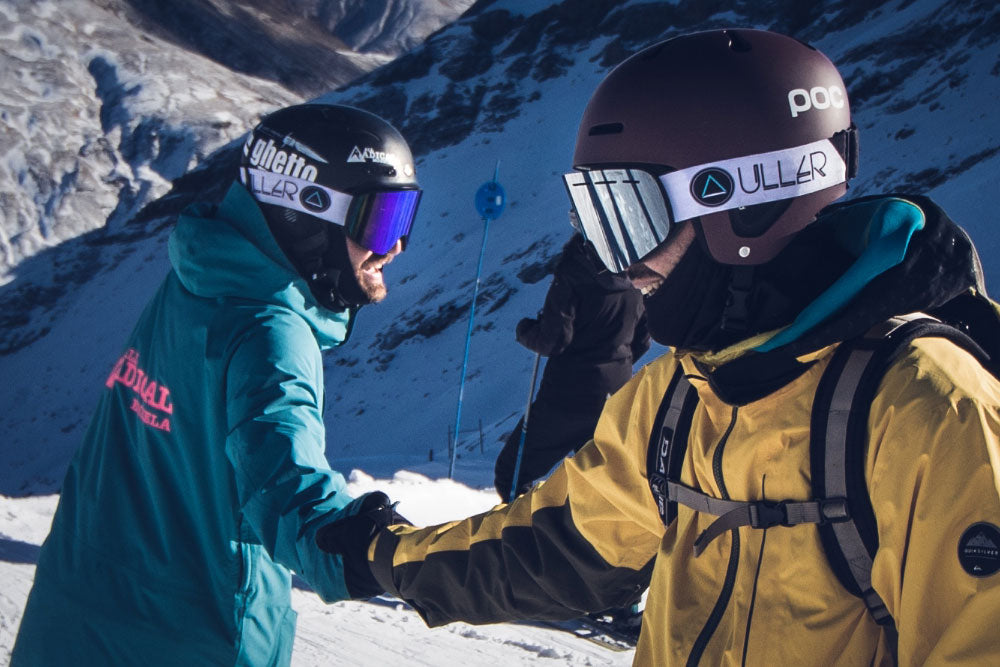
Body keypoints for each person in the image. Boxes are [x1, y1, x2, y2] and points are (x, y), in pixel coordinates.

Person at [314, 29, 1000, 665]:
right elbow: (552, 545)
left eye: (631, 218)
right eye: (597, 222)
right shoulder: (679, 395)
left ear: (745, 201)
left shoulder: (930, 411)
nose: (619, 265)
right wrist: (384, 553)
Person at [12, 104, 421, 666]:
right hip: (191, 636)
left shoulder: (202, 273)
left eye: (405, 217)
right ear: (306, 208)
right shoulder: (269, 332)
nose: (396, 246)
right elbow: (290, 491)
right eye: (381, 219)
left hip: (73, 608)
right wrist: (384, 550)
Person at [493, 225, 649, 501]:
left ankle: (525, 537)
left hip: (567, 395)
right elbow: (643, 340)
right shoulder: (637, 275)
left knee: (512, 474)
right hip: (615, 395)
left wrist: (525, 330)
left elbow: (553, 341)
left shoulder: (574, 272)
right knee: (599, 479)